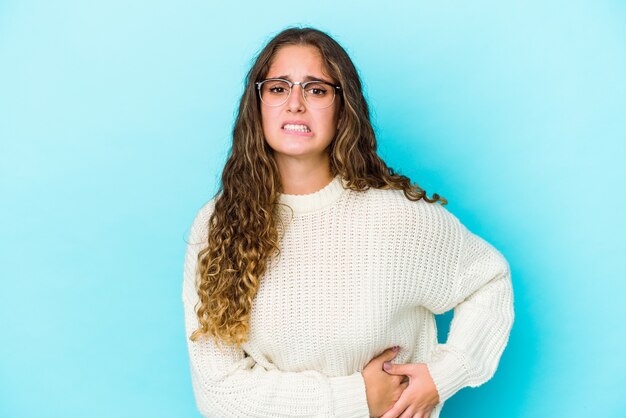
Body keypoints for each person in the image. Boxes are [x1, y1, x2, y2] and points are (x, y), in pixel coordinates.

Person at [182, 26, 514, 418]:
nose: (295, 104)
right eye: (277, 88)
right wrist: (359, 398)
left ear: (343, 108)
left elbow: (488, 279)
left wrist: (445, 374)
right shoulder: (217, 226)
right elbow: (219, 394)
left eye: (317, 90)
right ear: (256, 105)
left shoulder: (396, 217)